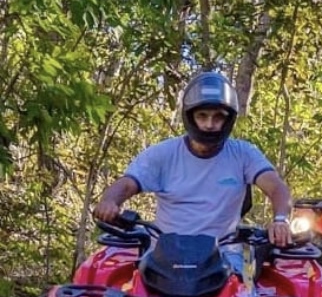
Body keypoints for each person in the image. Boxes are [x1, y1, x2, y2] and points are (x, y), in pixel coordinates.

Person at [92, 70, 293, 255]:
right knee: (111, 272)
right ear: (190, 117)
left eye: (218, 117)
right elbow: (127, 183)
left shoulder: (244, 154)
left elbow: (275, 186)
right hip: (164, 254)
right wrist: (110, 201)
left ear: (228, 120)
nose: (209, 124)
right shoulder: (163, 154)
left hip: (224, 255)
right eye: (202, 116)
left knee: (271, 277)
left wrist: (280, 220)